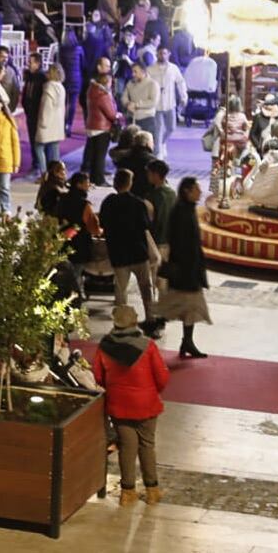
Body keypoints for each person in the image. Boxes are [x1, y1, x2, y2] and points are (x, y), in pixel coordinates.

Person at [94, 302, 169, 506]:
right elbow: (162, 377)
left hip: (119, 405)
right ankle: (152, 491)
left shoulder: (105, 346)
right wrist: (152, 392)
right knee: (147, 445)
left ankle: (127, 493)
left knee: (127, 447)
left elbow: (98, 376)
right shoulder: (148, 346)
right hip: (146, 405)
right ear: (135, 322)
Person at [100, 169, 161, 335]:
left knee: (121, 291)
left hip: (118, 254)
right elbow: (146, 226)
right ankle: (151, 320)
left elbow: (103, 223)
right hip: (138, 252)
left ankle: (121, 324)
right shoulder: (138, 203)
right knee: (145, 289)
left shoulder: (108, 203)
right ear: (130, 183)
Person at [156, 176, 211, 359]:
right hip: (186, 269)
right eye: (196, 189)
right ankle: (154, 324)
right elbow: (181, 242)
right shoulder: (181, 212)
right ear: (187, 191)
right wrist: (189, 267)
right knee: (182, 306)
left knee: (189, 308)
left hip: (190, 268)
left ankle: (187, 341)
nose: (200, 192)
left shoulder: (186, 209)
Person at [82, 58, 118, 186]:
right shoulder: (102, 95)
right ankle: (99, 179)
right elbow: (111, 114)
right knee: (100, 155)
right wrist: (118, 116)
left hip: (92, 125)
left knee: (94, 153)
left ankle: (93, 177)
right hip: (102, 127)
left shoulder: (92, 90)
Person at [32, 63, 66, 178]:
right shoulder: (61, 88)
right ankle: (57, 172)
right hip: (57, 123)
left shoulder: (48, 89)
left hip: (47, 123)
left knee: (38, 147)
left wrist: (42, 122)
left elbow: (45, 108)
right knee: (55, 149)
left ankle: (44, 172)